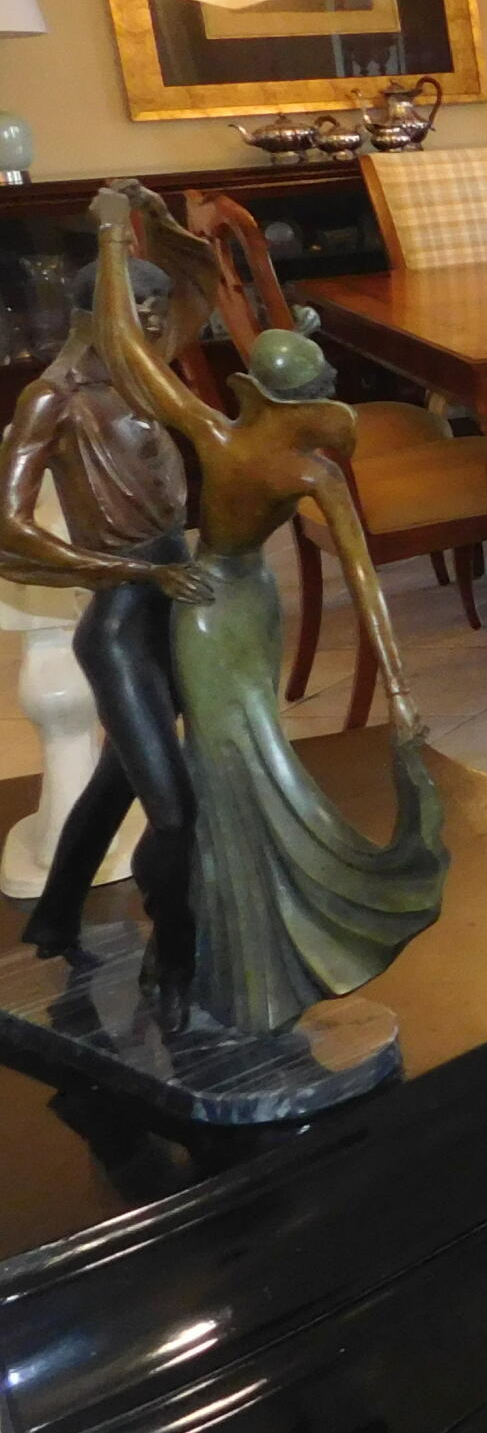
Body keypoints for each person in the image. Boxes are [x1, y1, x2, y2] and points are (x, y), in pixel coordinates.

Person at [84, 185, 445, 1041]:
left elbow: (130, 351)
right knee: (229, 770)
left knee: (252, 758)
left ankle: (258, 955)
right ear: (298, 397)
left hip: (225, 597)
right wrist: (110, 241)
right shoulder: (293, 464)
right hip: (218, 605)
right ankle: (235, 957)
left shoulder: (234, 440)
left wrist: (109, 237)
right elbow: (127, 352)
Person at [0, 209, 218, 1022]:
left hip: (175, 605)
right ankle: (173, 943)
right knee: (175, 807)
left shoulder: (151, 380)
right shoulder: (52, 399)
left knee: (122, 774)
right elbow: (8, 527)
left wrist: (149, 218)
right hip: (122, 621)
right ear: (99, 313)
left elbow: (200, 280)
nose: (157, 323)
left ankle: (57, 913)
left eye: (162, 311)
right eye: (140, 309)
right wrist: (115, 568)